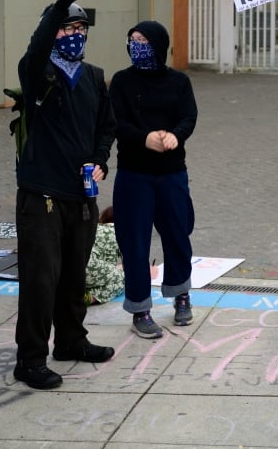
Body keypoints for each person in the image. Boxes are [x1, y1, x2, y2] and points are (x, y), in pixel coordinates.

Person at [13, 0, 116, 391]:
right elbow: (37, 47)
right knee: (41, 280)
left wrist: (101, 162)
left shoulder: (93, 77)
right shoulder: (38, 72)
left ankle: (72, 341)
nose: (75, 36)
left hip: (82, 197)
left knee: (75, 277)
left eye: (80, 30)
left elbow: (106, 128)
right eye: (67, 29)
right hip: (43, 197)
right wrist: (62, 3)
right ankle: (30, 359)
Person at [109, 21, 198, 339]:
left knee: (177, 234)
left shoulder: (178, 81)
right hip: (134, 174)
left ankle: (181, 294)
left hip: (172, 172)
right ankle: (140, 308)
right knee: (134, 243)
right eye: (132, 40)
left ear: (159, 45)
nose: (137, 45)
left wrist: (175, 136)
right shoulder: (121, 81)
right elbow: (115, 121)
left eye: (143, 40)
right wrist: (144, 138)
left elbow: (189, 116)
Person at [84, 205, 125, 306]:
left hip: (71, 267)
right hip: (89, 268)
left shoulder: (95, 228)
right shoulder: (120, 233)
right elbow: (130, 264)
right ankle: (89, 298)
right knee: (123, 279)